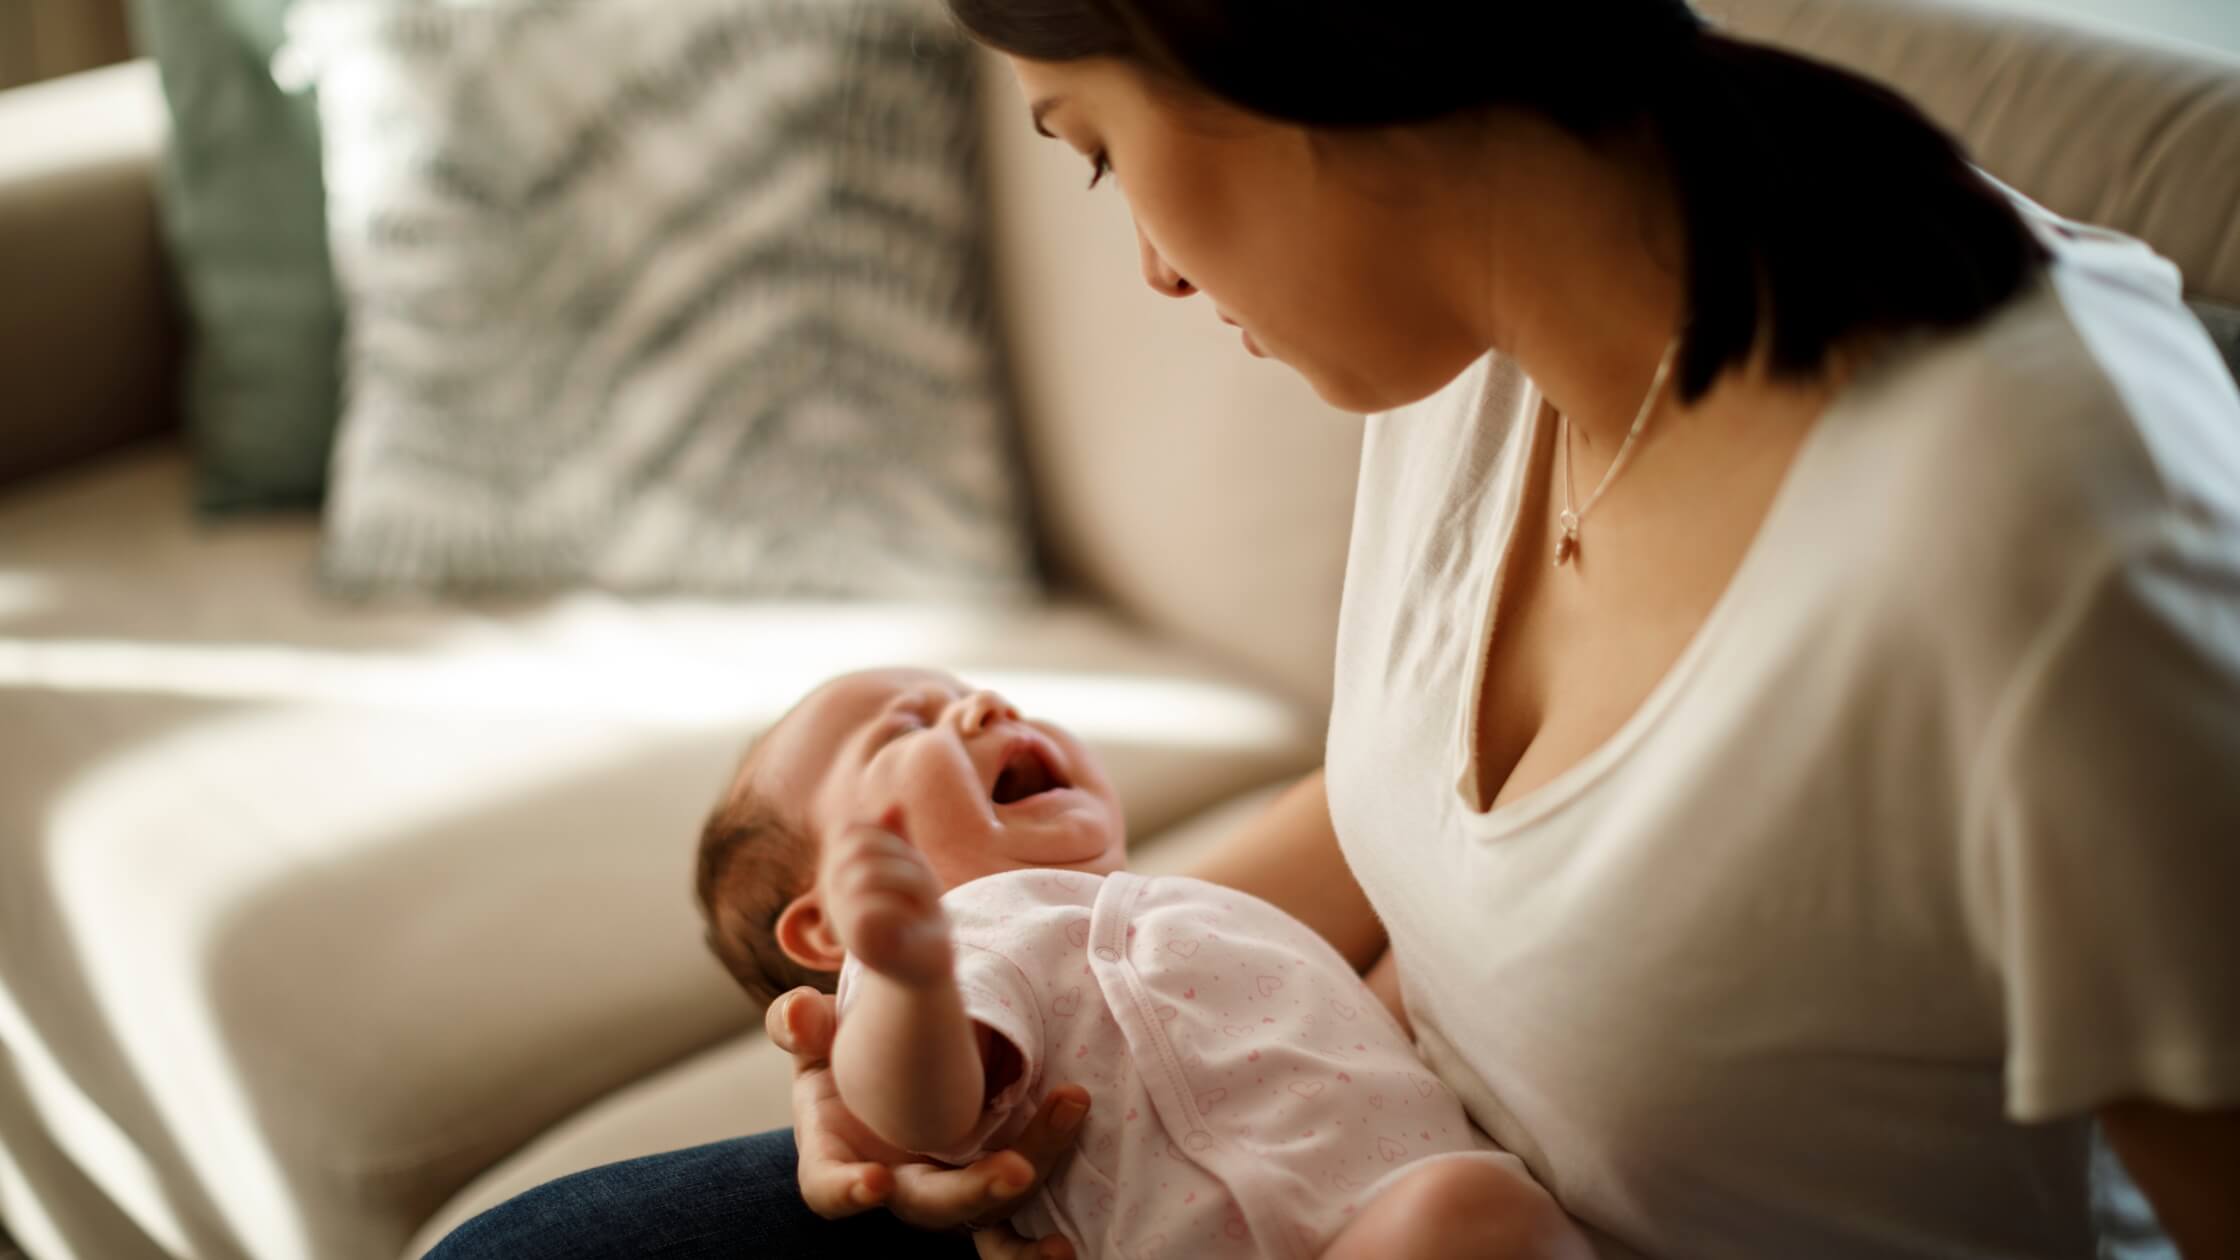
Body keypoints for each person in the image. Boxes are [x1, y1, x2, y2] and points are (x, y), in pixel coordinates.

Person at [429, 1, 2240, 1256]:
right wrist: (951, 1015)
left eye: (1093, 150)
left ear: (1255, 34)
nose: (1149, 264)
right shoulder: (1472, 329)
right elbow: (1454, 831)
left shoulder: (2041, 534)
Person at [691, 665, 1590, 1259]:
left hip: (1402, 1200)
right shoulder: (968, 936)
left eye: (977, 691)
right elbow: (924, 1111)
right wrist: (904, 978)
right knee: (1467, 1216)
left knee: (1479, 1215)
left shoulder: (1174, 912)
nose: (988, 705)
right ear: (829, 926)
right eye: (903, 731)